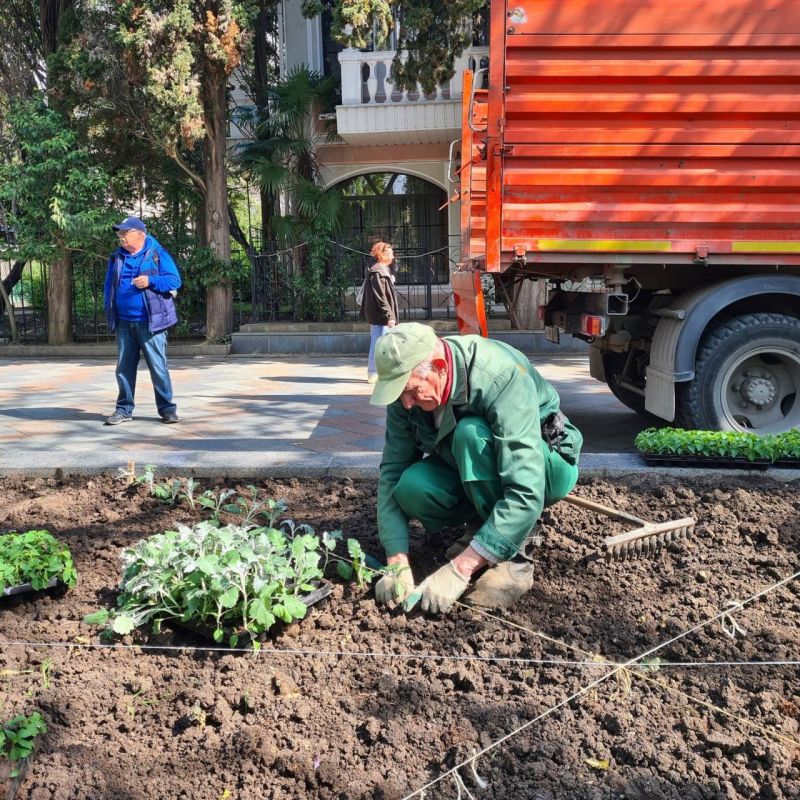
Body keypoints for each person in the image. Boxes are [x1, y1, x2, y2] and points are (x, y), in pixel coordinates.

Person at [369, 322, 583, 613]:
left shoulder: (499, 375)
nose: (406, 404)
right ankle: (484, 531)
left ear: (441, 367)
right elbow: (393, 470)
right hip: (474, 465)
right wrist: (396, 560)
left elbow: (526, 488)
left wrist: (460, 568)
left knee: (471, 435)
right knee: (411, 486)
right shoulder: (405, 394)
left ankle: (516, 558)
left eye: (412, 392)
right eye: (399, 394)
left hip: (545, 467)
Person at [103, 216, 182, 425]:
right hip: (124, 323)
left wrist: (150, 281)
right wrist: (109, 310)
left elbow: (175, 280)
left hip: (151, 322)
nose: (120, 236)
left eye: (124, 232)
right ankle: (123, 409)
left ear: (140, 235)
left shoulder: (157, 253)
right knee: (124, 368)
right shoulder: (116, 257)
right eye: (119, 233)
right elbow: (108, 286)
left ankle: (167, 409)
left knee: (158, 366)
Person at [363, 241, 399, 384]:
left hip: (381, 315)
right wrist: (389, 316)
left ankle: (381, 372)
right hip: (379, 316)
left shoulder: (383, 270)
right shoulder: (377, 271)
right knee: (378, 344)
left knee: (382, 343)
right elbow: (381, 296)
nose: (392, 256)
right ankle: (373, 373)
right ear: (382, 255)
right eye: (390, 253)